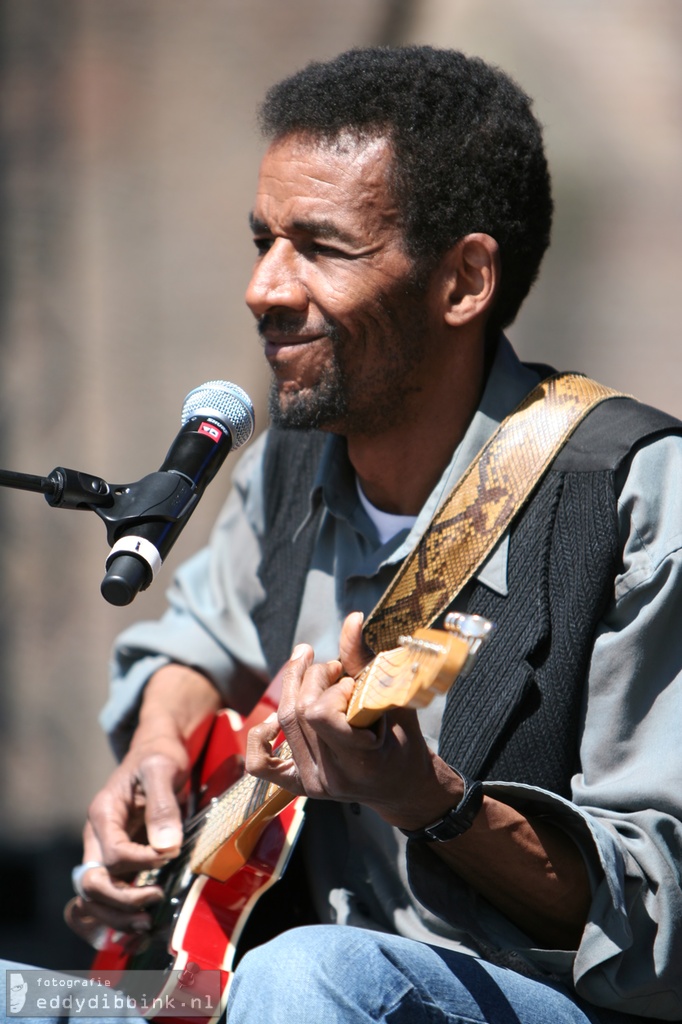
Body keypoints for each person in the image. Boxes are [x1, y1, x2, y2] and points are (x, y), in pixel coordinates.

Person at [66, 46, 682, 1023]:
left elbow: (660, 922)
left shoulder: (632, 498)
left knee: (308, 977)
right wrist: (154, 751)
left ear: (463, 280)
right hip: (258, 977)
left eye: (320, 246)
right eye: (262, 239)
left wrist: (427, 796)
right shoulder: (288, 462)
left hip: (544, 1002)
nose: (263, 287)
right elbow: (196, 647)